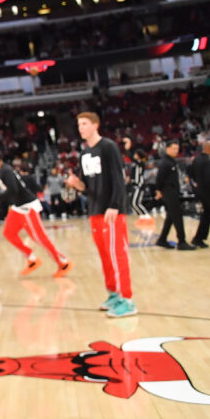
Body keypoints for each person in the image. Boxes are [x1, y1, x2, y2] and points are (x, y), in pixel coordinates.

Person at [65, 112, 137, 317]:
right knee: (105, 256)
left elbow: (118, 178)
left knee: (117, 255)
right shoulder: (84, 153)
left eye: (85, 124)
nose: (81, 128)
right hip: (94, 211)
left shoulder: (108, 147)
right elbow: (87, 187)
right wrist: (76, 184)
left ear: (95, 125)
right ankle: (114, 293)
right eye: (79, 124)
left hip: (111, 211)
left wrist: (115, 205)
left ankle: (128, 300)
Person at [0, 148, 71, 278]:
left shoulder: (5, 171)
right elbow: (13, 192)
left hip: (27, 207)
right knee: (8, 233)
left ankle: (63, 262)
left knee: (39, 238)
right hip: (18, 207)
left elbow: (13, 191)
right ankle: (31, 259)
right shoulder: (1, 171)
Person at [152, 140, 194, 251]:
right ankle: (182, 241)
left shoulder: (171, 161)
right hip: (169, 192)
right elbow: (159, 178)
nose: (176, 151)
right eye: (174, 148)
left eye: (177, 148)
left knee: (171, 217)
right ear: (167, 149)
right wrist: (159, 191)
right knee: (177, 216)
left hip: (173, 191)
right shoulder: (165, 162)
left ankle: (162, 239)